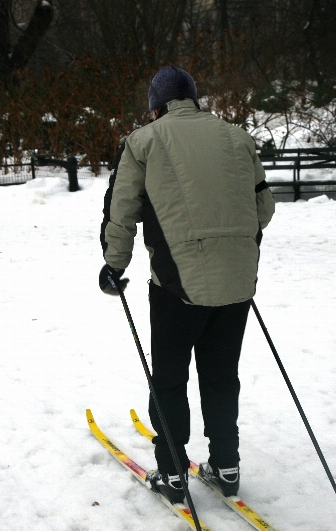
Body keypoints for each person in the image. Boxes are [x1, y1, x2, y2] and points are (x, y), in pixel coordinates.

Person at [99, 65, 275, 503]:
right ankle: (227, 466)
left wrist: (113, 265)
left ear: (155, 107)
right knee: (220, 377)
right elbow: (263, 207)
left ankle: (173, 472)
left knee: (170, 379)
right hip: (238, 282)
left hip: (176, 285)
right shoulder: (238, 138)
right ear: (194, 99)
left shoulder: (142, 142)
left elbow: (122, 211)